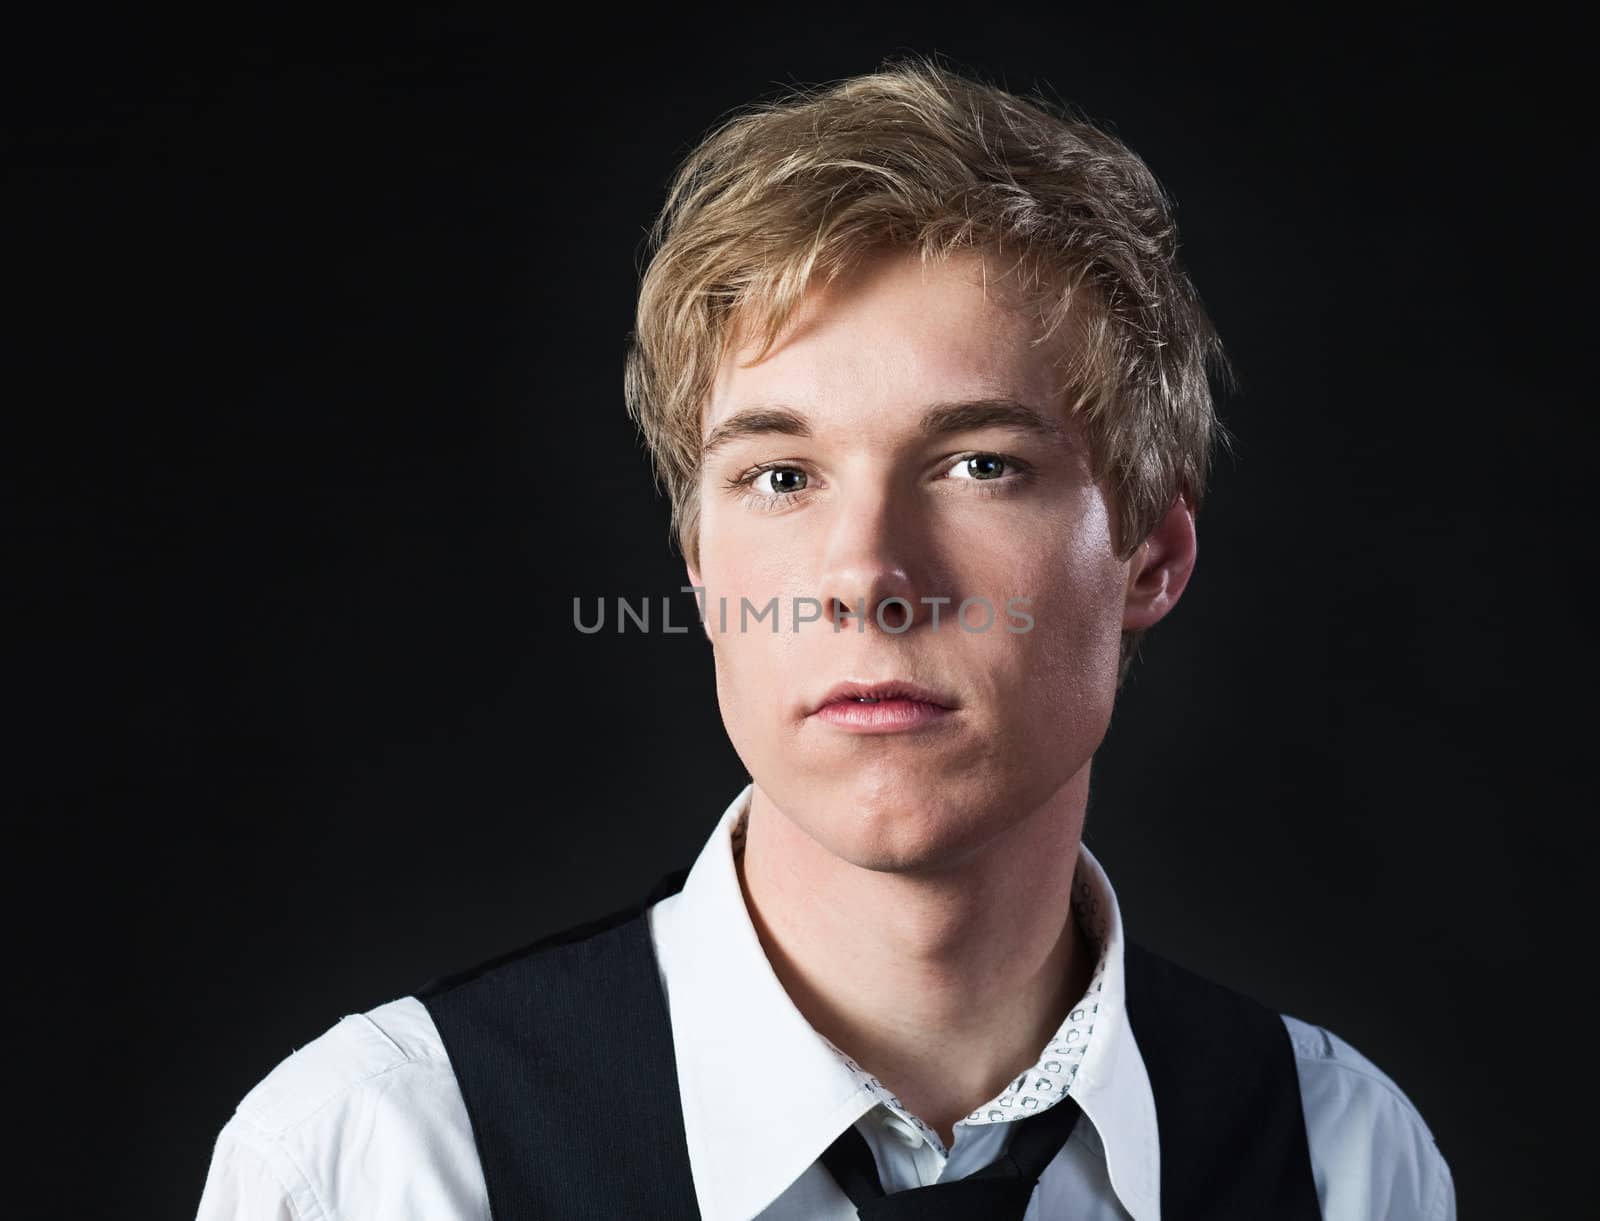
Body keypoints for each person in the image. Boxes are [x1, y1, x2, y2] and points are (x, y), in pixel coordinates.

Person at [196, 54, 1454, 1220]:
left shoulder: (1341, 1160)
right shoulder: (378, 1158)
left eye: (976, 463)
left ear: (1151, 558)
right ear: (700, 569)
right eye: (782, 476)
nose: (866, 579)